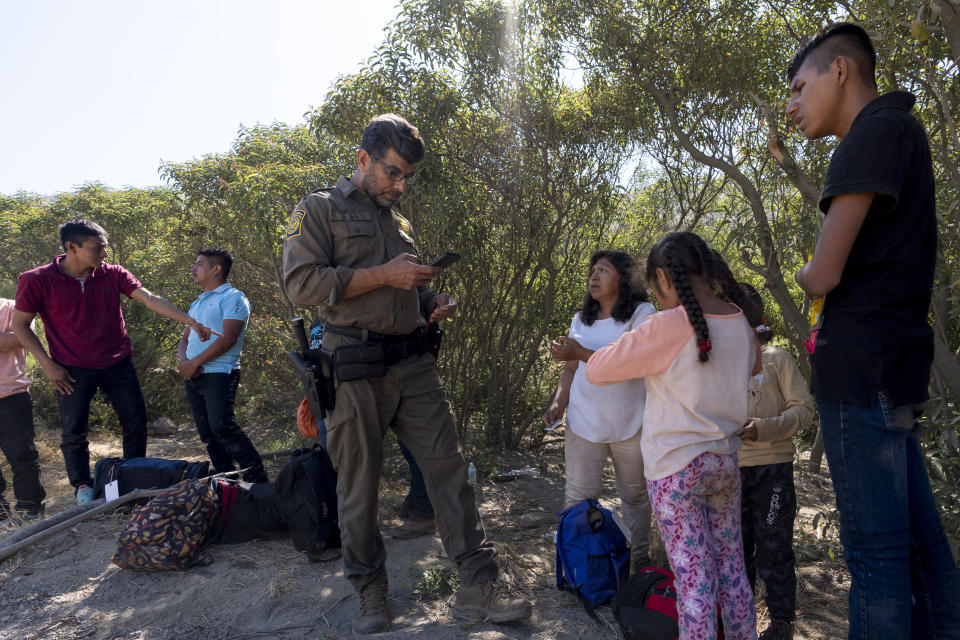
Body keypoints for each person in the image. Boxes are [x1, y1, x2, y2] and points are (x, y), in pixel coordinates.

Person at [283, 113, 530, 634]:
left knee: (450, 471)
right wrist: (384, 275)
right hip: (354, 371)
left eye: (406, 178)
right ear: (363, 160)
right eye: (392, 173)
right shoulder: (319, 210)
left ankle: (478, 584)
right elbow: (302, 286)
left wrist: (429, 301)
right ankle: (370, 592)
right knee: (359, 487)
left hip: (415, 365)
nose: (399, 185)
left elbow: (401, 291)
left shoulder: (400, 225)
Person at [787, 23, 960, 639]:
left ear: (840, 71)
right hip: (893, 370)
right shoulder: (900, 130)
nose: (792, 104)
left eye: (800, 86)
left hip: (860, 374)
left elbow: (823, 272)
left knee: (877, 560)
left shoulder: (871, 134)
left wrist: (806, 272)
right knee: (921, 548)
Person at [585, 232, 762, 640]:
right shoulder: (738, 318)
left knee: (693, 579)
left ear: (664, 278)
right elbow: (752, 366)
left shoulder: (667, 324)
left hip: (675, 468)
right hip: (724, 462)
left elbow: (597, 369)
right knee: (732, 567)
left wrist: (644, 337)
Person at [12, 219, 212, 505]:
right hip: (70, 368)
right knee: (74, 431)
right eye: (97, 248)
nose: (104, 254)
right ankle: (83, 487)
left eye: (104, 247)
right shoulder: (37, 279)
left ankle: (133, 477)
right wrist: (47, 364)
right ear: (72, 247)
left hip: (117, 363)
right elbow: (21, 325)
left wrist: (190, 321)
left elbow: (150, 299)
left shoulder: (112, 274)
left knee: (135, 422)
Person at [542, 250, 656, 571]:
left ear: (625, 278)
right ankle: (579, 565)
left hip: (630, 423)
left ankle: (637, 562)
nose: (594, 276)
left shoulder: (642, 314)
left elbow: (635, 363)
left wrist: (580, 350)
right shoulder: (581, 319)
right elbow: (569, 371)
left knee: (634, 497)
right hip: (582, 422)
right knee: (578, 499)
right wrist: (557, 405)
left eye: (603, 270)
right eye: (592, 270)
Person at [737, 284, 815, 640]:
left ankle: (782, 623)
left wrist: (763, 429)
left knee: (774, 548)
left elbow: (804, 411)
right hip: (728, 471)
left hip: (773, 469)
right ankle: (740, 622)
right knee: (735, 551)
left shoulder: (777, 357)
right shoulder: (713, 360)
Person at [310, 318, 435, 538]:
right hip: (334, 396)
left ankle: (424, 512)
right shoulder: (319, 322)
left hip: (374, 387)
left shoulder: (363, 314)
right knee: (340, 457)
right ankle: (345, 522)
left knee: (412, 449)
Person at [177, 249, 267, 484]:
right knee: (208, 434)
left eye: (199, 264)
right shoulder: (197, 302)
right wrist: (183, 362)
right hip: (194, 375)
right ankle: (226, 482)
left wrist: (194, 362)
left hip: (220, 372)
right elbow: (185, 338)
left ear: (216, 269)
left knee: (222, 426)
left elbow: (229, 338)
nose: (193, 269)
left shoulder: (233, 297)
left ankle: (257, 482)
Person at [0, 297, 45, 520]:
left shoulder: (13, 307)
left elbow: (21, 338)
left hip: (11, 396)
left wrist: (13, 337)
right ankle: (1, 515)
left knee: (22, 456)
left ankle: (30, 509)